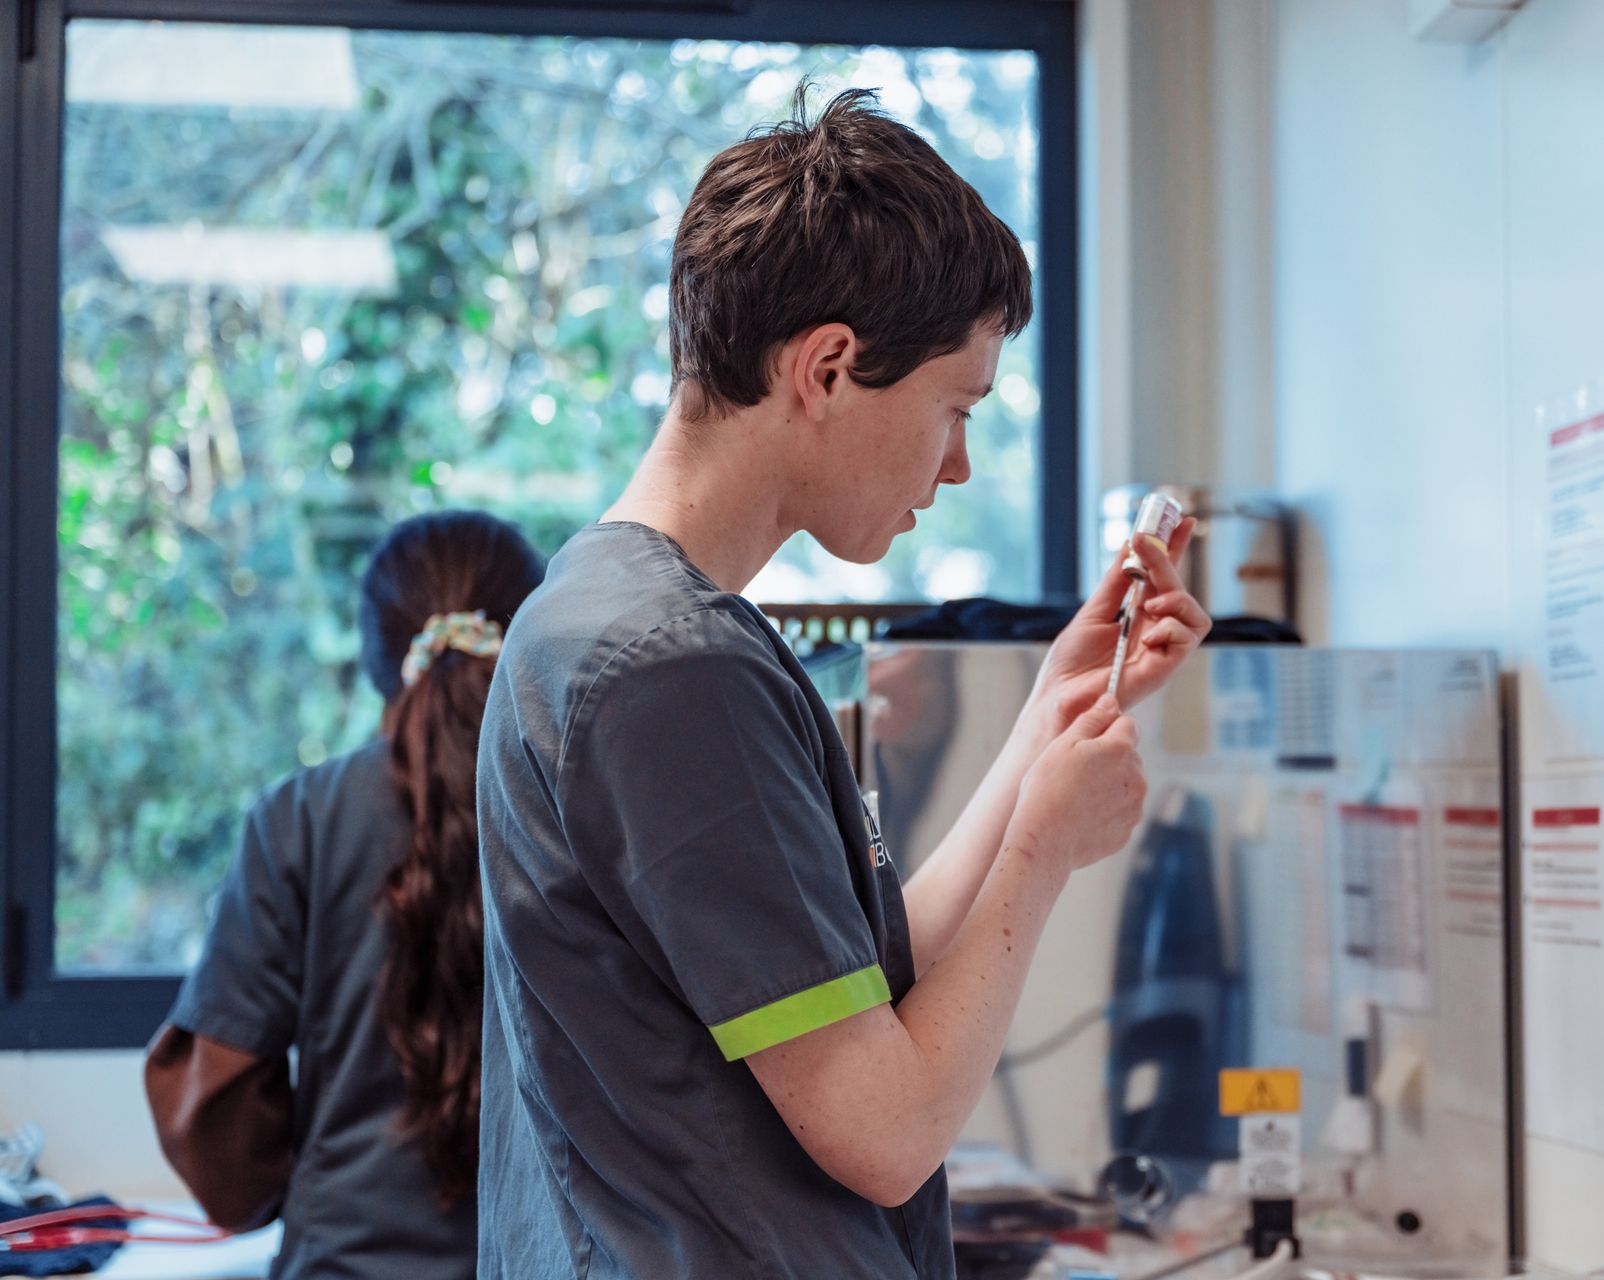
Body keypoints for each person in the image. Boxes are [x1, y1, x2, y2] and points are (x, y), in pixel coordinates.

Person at [475, 87, 1210, 1280]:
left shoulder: (608, 615)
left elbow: (843, 989)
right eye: (952, 409)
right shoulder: (673, 668)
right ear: (827, 366)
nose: (959, 464)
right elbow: (888, 1130)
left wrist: (1044, 724)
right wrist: (1047, 845)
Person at [145, 510, 546, 1278]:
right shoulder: (591, 810)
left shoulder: (299, 819)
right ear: (534, 639)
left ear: (376, 654)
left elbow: (214, 1113)